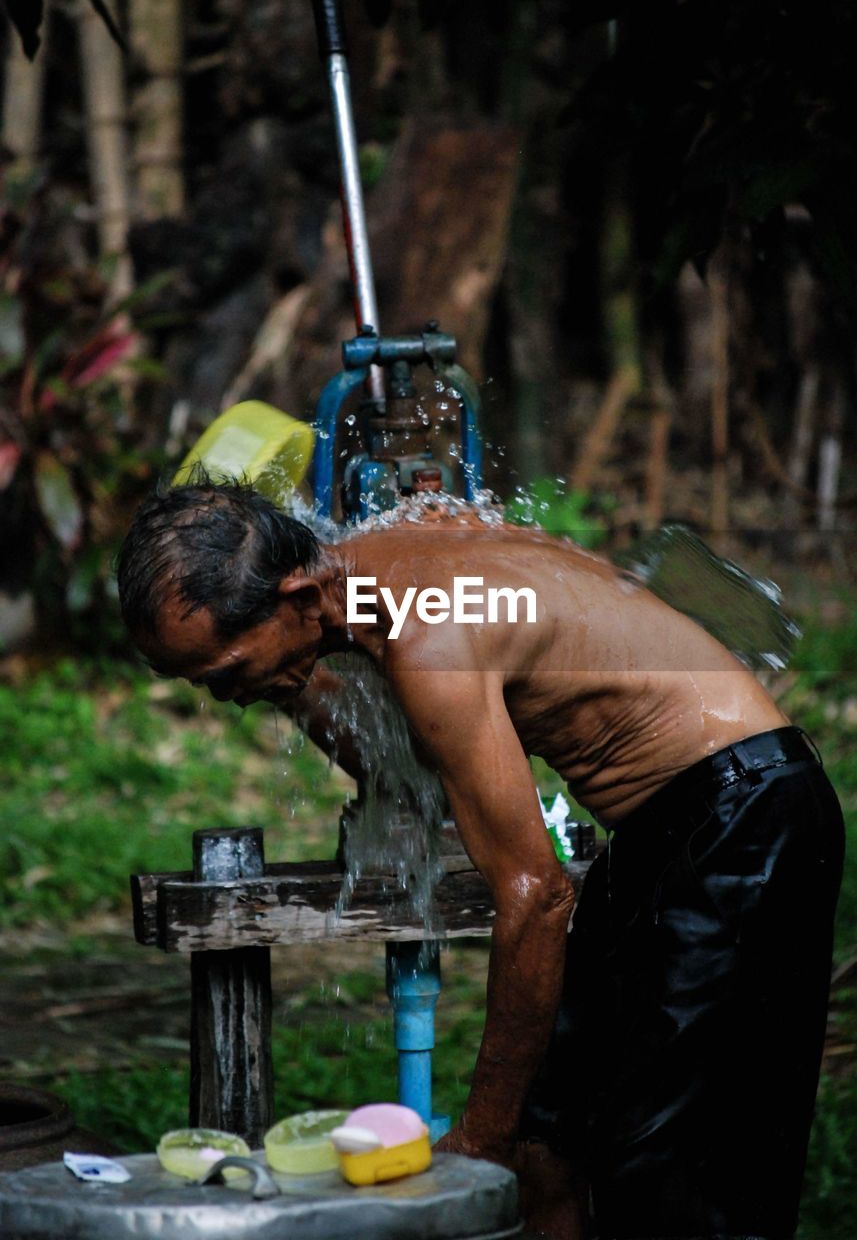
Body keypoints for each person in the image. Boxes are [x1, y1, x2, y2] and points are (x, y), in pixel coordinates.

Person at [117, 477, 843, 1240]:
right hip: (680, 824)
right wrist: (288, 687)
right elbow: (408, 774)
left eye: (228, 673)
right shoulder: (379, 562)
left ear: (297, 595)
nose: (225, 697)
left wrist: (479, 1134)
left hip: (747, 823)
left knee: (668, 1163)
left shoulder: (428, 637)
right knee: (550, 1141)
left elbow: (535, 897)